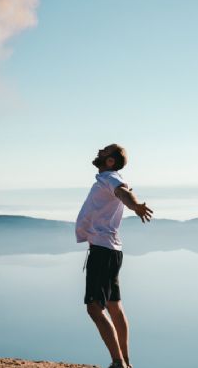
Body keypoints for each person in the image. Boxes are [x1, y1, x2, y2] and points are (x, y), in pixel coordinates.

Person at [75, 143, 153, 368]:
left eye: (105, 151)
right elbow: (125, 190)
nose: (99, 151)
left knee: (94, 307)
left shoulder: (109, 178)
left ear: (110, 161)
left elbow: (124, 192)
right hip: (110, 250)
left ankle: (118, 363)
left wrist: (135, 205)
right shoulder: (110, 178)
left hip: (102, 250)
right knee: (113, 305)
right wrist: (134, 203)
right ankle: (125, 362)